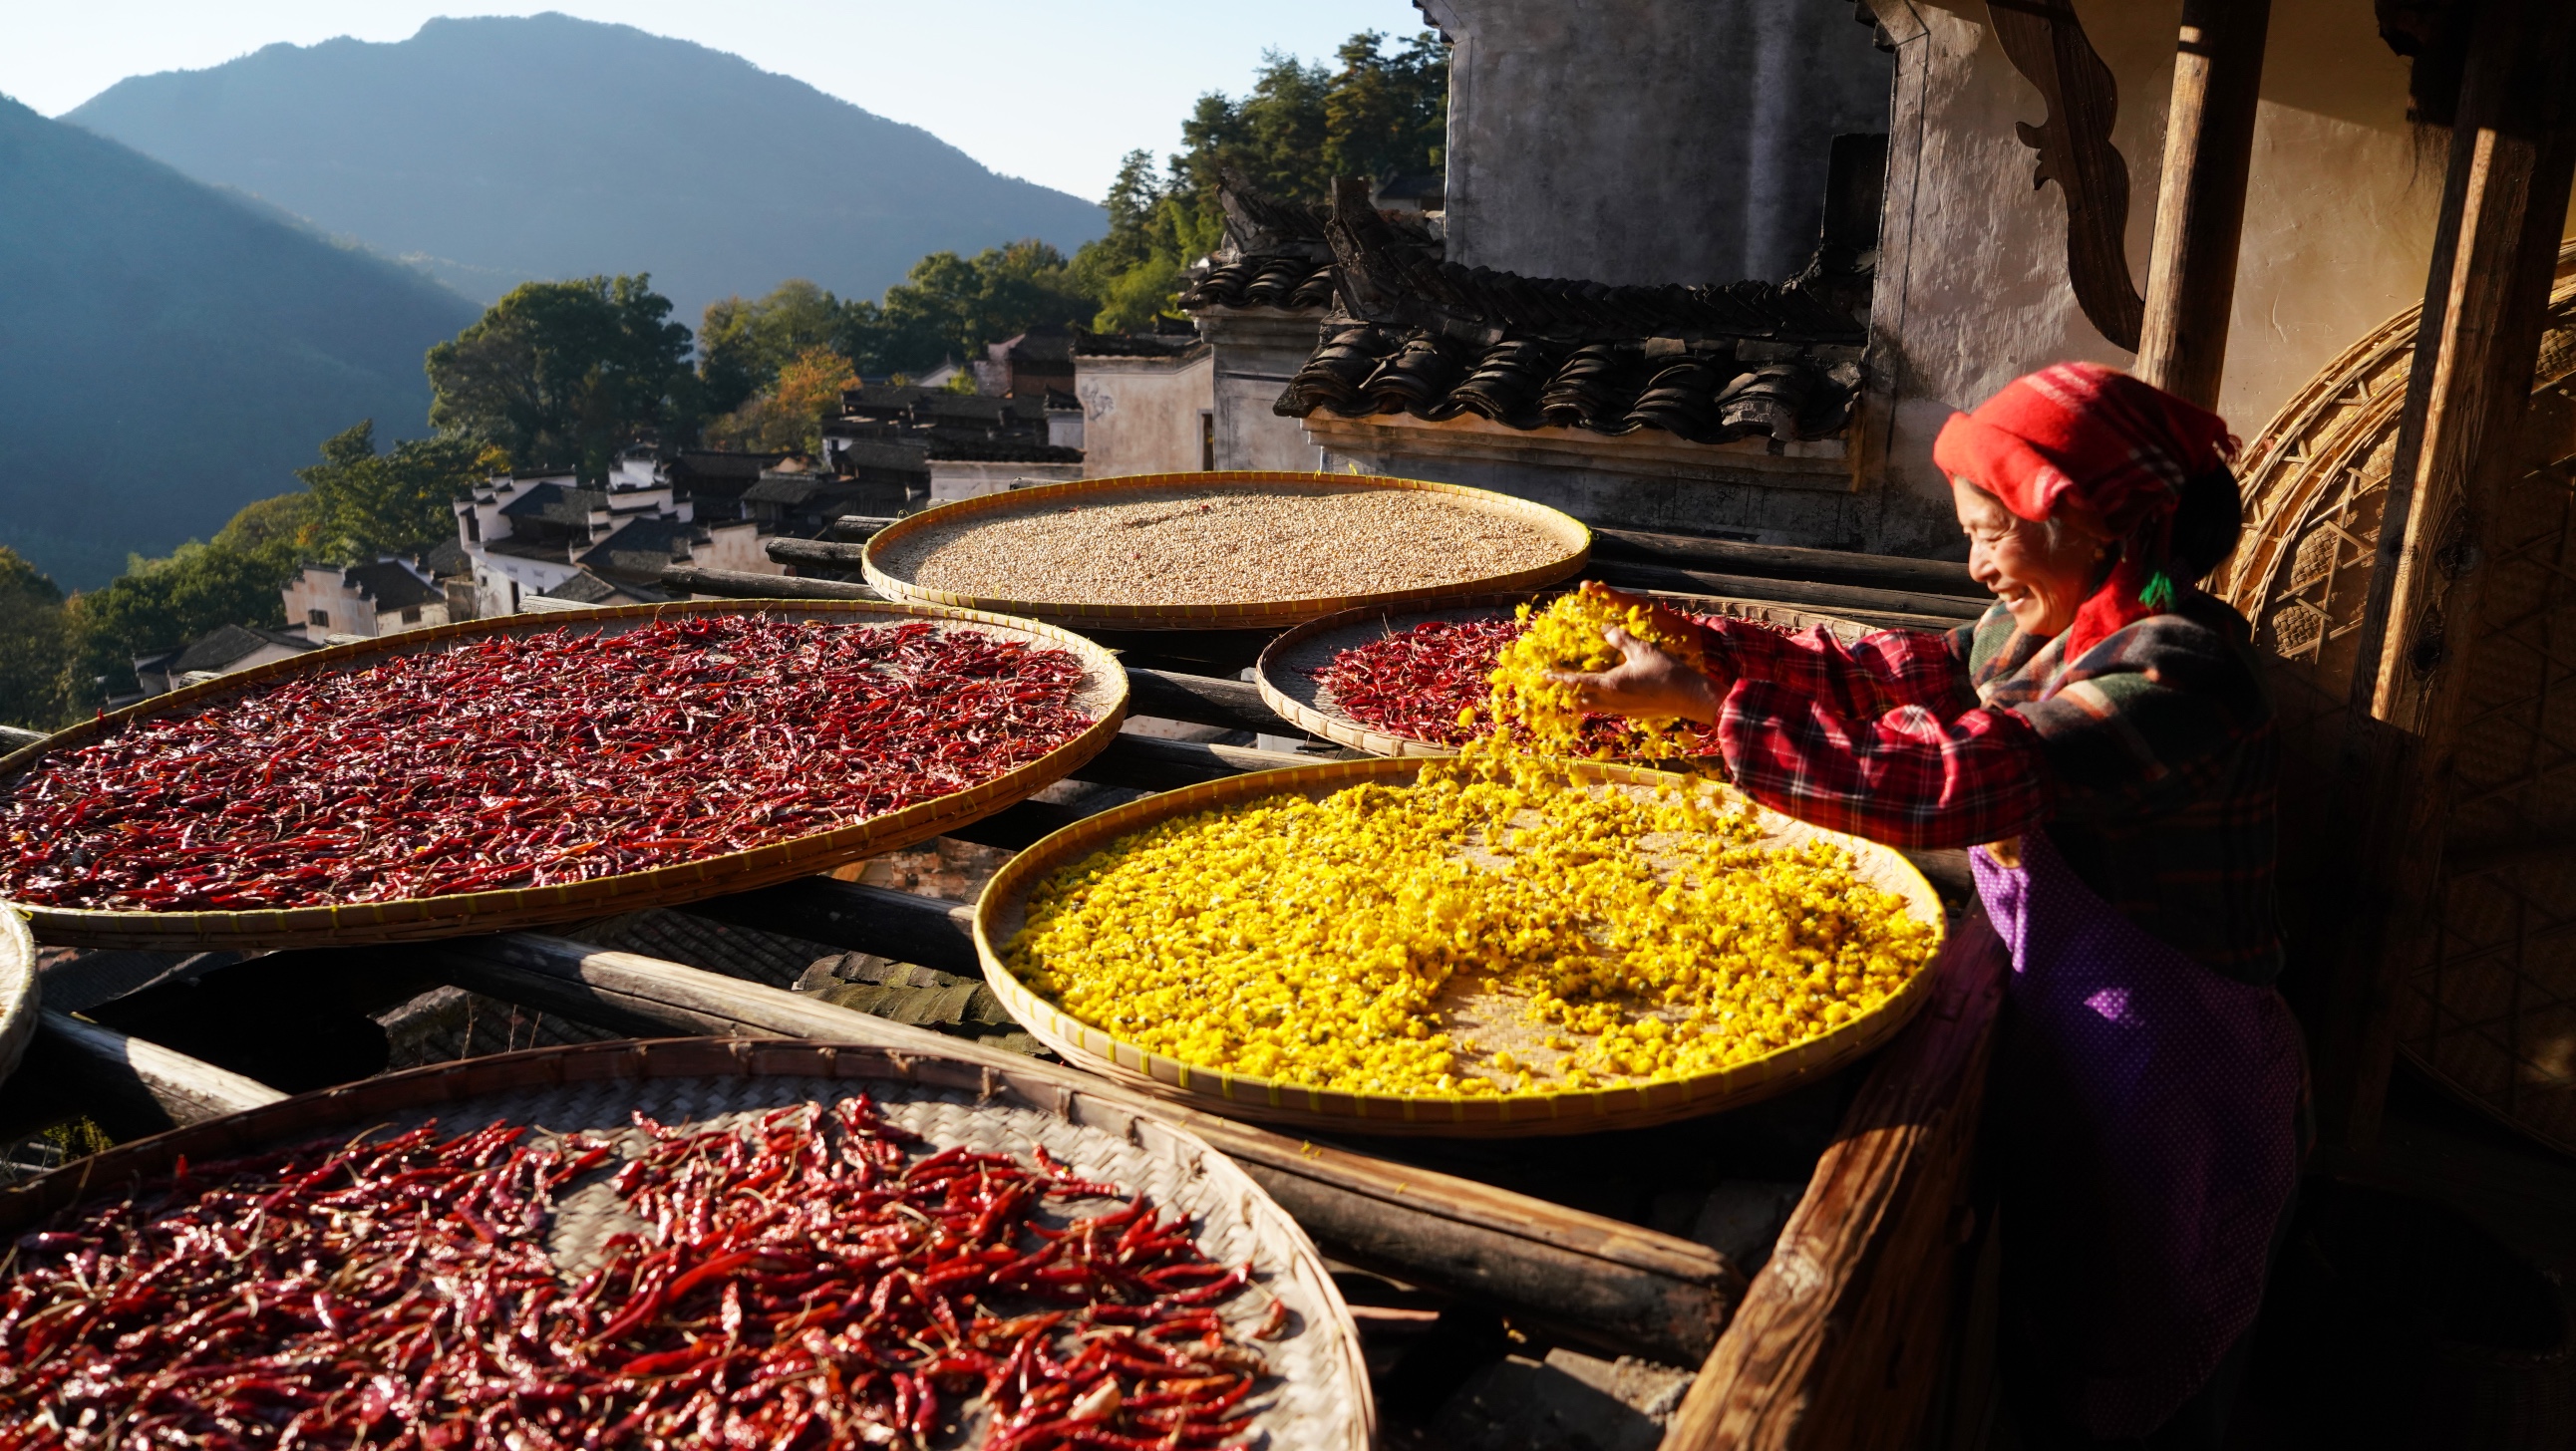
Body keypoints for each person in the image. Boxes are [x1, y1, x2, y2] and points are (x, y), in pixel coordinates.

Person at [1560, 363, 2303, 1450]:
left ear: (2092, 523)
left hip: (2173, 1058)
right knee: (2060, 1281)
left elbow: (1964, 784)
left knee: (2150, 1314)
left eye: (1993, 532)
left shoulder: (2178, 671)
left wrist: (1718, 710)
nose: (1974, 563)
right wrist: (1703, 645)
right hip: (2075, 1023)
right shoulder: (2034, 632)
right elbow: (1880, 673)